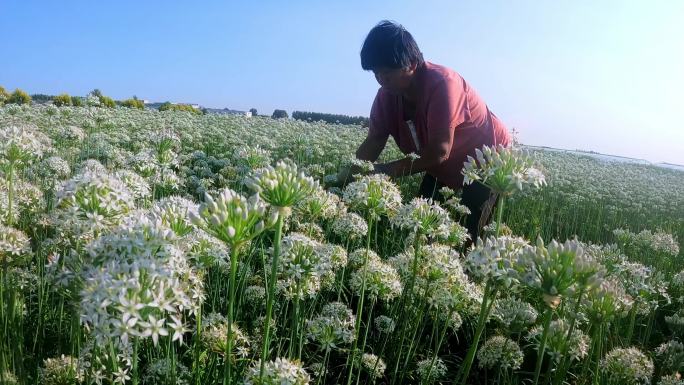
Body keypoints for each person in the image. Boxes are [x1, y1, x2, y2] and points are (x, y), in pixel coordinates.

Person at [339, 20, 511, 241]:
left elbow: (439, 151)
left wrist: (384, 170)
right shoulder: (387, 96)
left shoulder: (443, 84)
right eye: (375, 73)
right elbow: (374, 141)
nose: (381, 79)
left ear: (410, 64)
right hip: (440, 163)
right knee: (419, 225)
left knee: (471, 233)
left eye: (387, 72)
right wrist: (350, 175)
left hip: (487, 158)